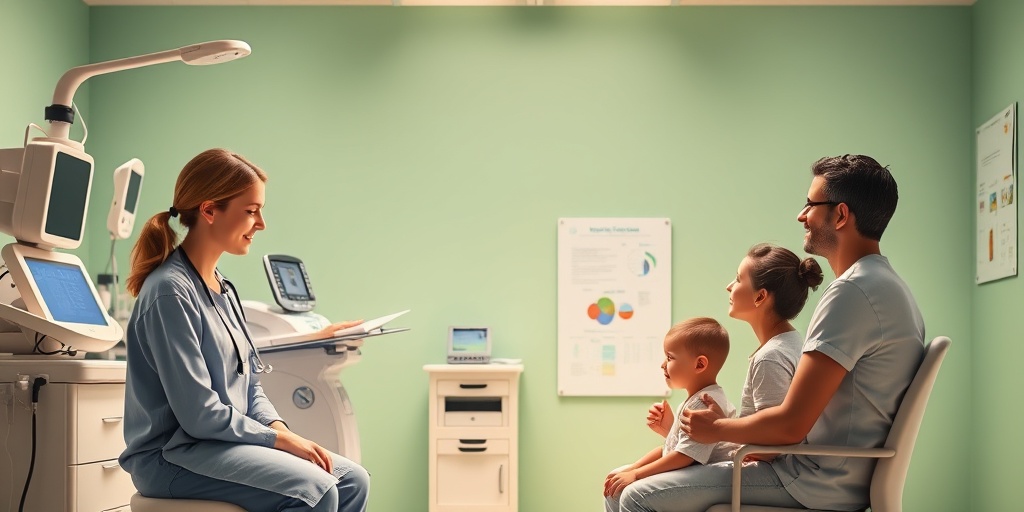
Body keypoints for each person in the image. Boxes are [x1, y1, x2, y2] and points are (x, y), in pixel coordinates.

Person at [664, 154, 926, 512]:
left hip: (814, 481)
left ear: (840, 215)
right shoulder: (887, 285)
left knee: (636, 495)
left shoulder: (852, 292)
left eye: (810, 204)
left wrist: (718, 428)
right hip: (834, 475)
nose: (801, 215)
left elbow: (790, 426)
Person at [119, 148, 370, 512]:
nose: (261, 223)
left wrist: (281, 430)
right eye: (251, 211)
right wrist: (277, 441)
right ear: (209, 210)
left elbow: (250, 384)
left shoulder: (224, 288)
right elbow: (199, 414)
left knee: (352, 481)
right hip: (170, 455)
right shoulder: (170, 294)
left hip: (217, 445)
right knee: (315, 491)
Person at [604, 317, 737, 512]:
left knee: (629, 487)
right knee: (616, 479)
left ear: (699, 365)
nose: (662, 364)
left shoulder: (705, 402)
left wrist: (637, 474)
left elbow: (682, 456)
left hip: (708, 478)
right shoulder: (694, 399)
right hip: (695, 472)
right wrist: (632, 469)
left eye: (670, 357)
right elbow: (668, 449)